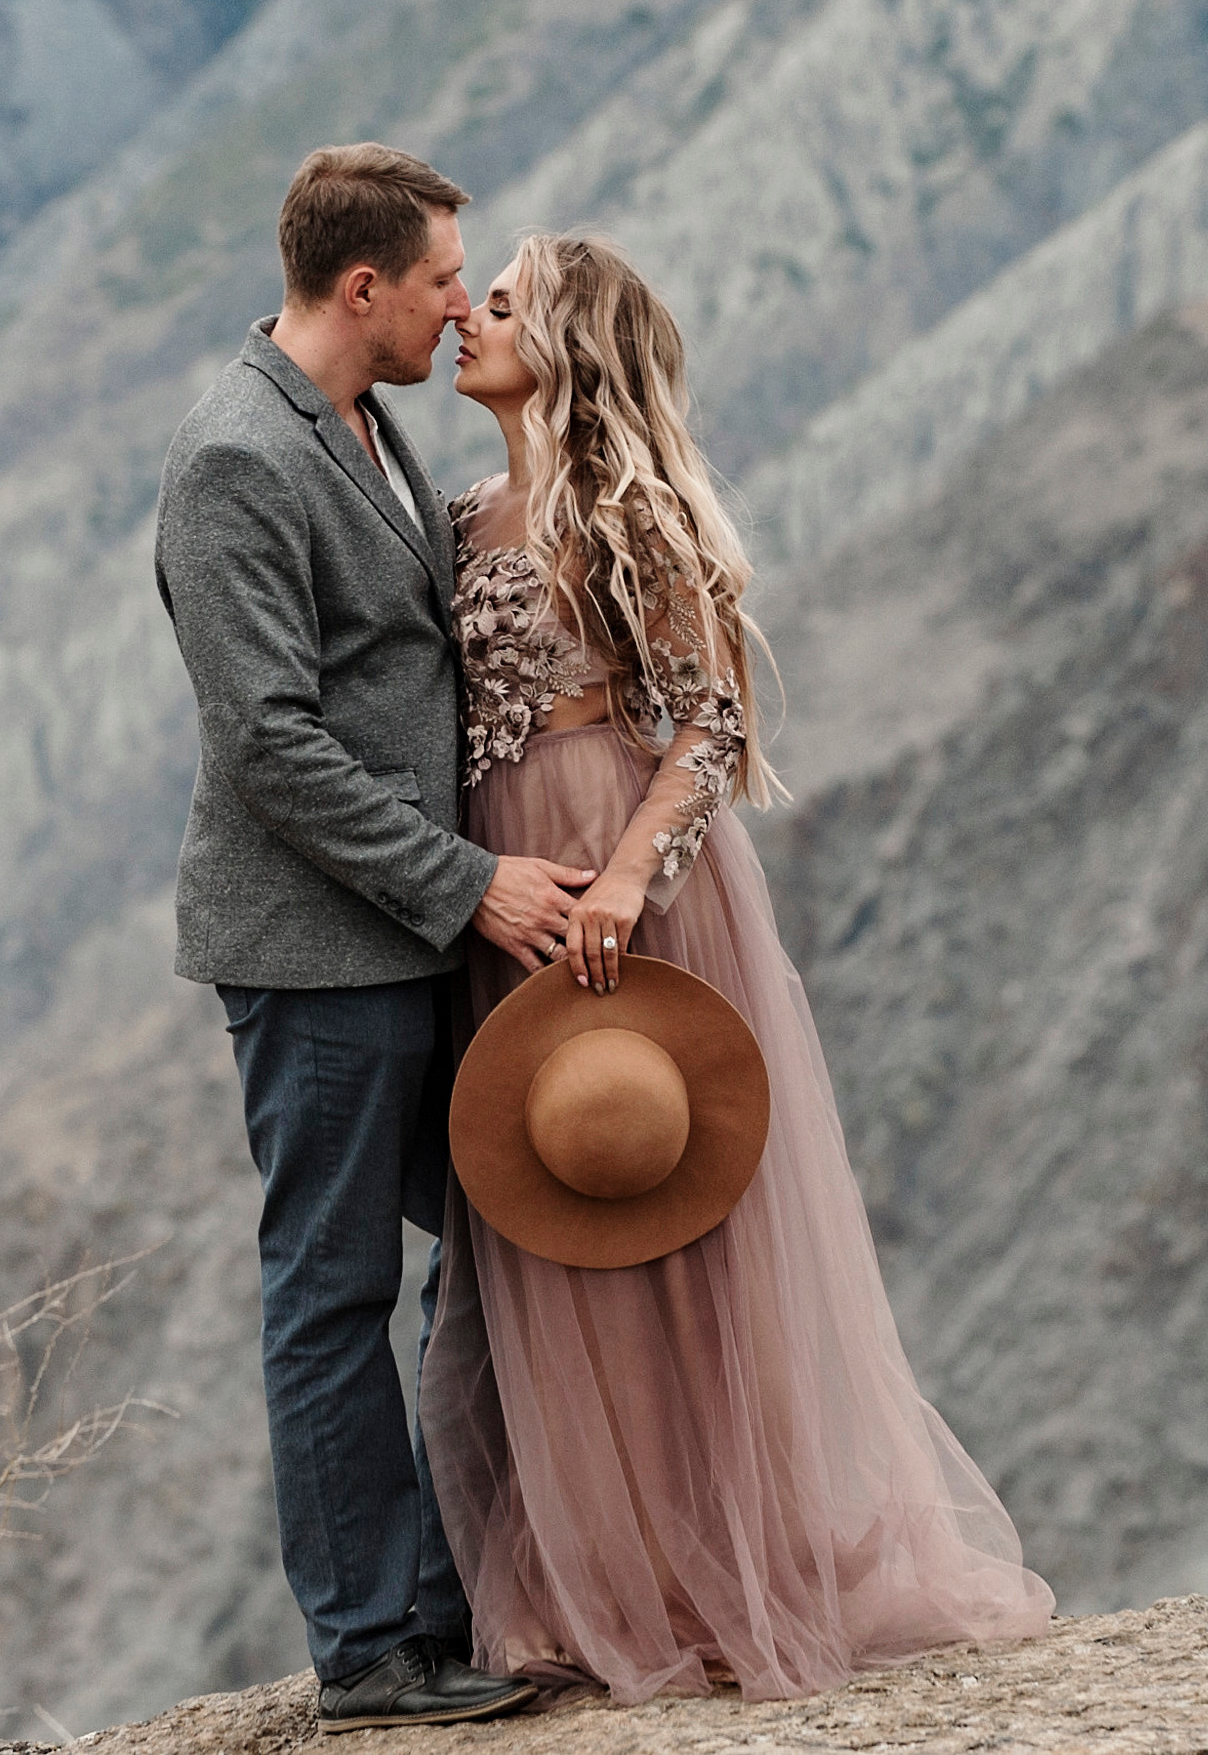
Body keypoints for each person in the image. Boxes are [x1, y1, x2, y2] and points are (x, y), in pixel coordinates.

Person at [419, 228, 1054, 1703]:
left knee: (673, 1213)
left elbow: (708, 717)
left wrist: (632, 875)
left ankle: (734, 1560)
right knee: (550, 1221)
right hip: (509, 887)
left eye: (499, 306)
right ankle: (617, 1575)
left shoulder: (633, 516)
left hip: (631, 881)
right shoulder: (460, 517)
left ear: (565, 344)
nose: (470, 321)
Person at [154, 144, 595, 1733]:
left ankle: (452, 1597)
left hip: (410, 938)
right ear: (362, 288)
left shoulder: (363, 420)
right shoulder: (233, 460)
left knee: (482, 1243)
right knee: (332, 1285)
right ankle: (372, 1654)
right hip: (316, 950)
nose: (457, 303)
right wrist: (468, 882)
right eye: (435, 280)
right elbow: (268, 743)